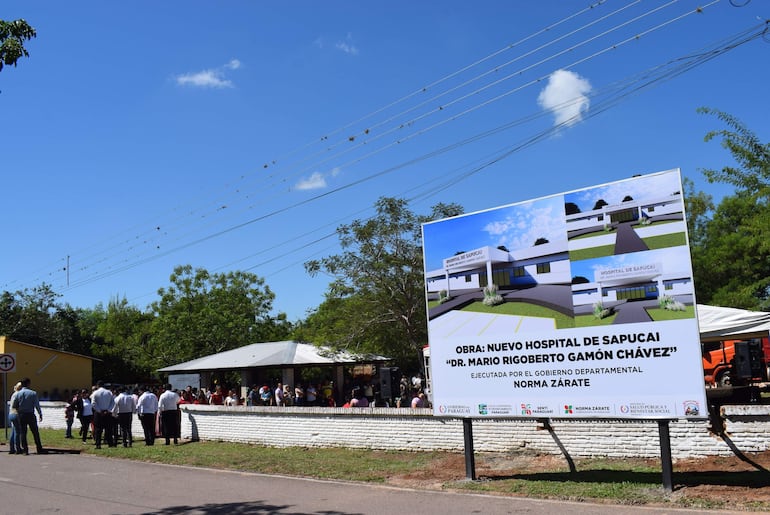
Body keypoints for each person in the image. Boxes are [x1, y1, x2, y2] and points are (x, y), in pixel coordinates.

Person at [12, 377, 44, 455]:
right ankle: (39, 448)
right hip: (30, 414)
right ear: (29, 384)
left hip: (21, 414)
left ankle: (25, 450)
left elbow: (14, 405)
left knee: (23, 433)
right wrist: (40, 413)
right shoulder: (33, 393)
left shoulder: (18, 394)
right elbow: (37, 405)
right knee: (35, 432)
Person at [91, 380, 116, 449]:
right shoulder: (109, 392)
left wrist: (99, 411)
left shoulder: (95, 393)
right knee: (108, 429)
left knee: (98, 429)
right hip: (107, 413)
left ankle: (98, 444)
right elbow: (113, 403)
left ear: (97, 386)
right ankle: (110, 443)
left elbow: (93, 404)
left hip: (99, 413)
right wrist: (108, 410)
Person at [7, 382, 22, 454]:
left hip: (10, 414)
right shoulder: (19, 394)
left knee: (13, 431)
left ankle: (11, 448)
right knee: (17, 432)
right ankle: (18, 448)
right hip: (16, 414)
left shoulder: (13, 394)